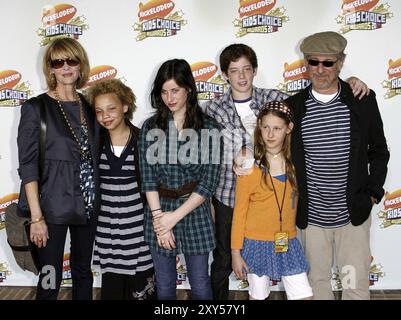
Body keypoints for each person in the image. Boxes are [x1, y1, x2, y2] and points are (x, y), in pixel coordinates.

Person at [203, 43, 369, 300]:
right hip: (227, 193)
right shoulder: (212, 109)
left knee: (288, 267)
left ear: (255, 70)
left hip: (270, 195)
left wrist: (352, 82)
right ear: (224, 74)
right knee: (224, 259)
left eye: (247, 69)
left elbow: (317, 90)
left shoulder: (275, 98)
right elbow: (207, 152)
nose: (242, 76)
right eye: (234, 71)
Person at [286, 31, 390, 300]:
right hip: (311, 219)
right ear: (305, 63)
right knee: (316, 285)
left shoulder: (362, 101)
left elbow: (379, 151)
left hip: (352, 215)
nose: (320, 70)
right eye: (313, 62)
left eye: (328, 63)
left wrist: (373, 192)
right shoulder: (293, 107)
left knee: (355, 287)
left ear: (341, 63)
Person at [17, 37, 98, 300]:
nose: (65, 67)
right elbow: (28, 166)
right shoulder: (36, 108)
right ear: (50, 68)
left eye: (71, 60)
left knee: (83, 271)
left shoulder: (89, 105)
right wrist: (37, 218)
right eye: (58, 62)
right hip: (52, 205)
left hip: (88, 202)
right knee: (50, 275)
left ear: (80, 65)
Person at [138, 59, 221, 300]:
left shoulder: (209, 128)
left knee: (200, 282)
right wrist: (160, 221)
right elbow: (148, 177)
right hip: (159, 212)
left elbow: (209, 181)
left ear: (189, 89)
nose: (169, 97)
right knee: (164, 283)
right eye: (164, 91)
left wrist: (173, 218)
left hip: (194, 210)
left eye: (175, 90)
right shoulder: (150, 127)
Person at [231, 101, 313, 300]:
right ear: (259, 126)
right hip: (256, 242)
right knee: (258, 296)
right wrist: (235, 253)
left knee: (304, 294)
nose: (270, 134)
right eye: (266, 127)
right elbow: (239, 212)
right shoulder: (249, 165)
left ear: (288, 129)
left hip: (287, 240)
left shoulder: (295, 161)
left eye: (277, 128)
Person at [86, 79, 155, 300]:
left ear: (125, 106)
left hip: (139, 234)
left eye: (111, 108)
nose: (105, 116)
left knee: (142, 294)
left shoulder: (143, 140)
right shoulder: (95, 145)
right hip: (108, 236)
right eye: (99, 111)